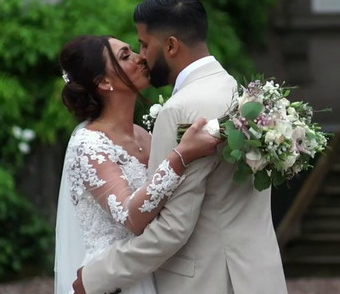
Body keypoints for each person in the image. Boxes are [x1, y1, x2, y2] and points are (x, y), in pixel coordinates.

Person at [73, 0, 288, 294]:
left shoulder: (181, 110)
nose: (141, 56)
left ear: (171, 45)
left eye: (145, 45)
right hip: (257, 274)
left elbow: (173, 228)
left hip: (211, 281)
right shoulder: (238, 91)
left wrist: (98, 276)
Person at [54, 35, 222, 294]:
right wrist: (182, 156)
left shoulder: (144, 135)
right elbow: (131, 217)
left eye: (133, 50)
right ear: (104, 82)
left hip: (152, 270)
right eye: (125, 56)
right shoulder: (88, 144)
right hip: (113, 279)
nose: (140, 57)